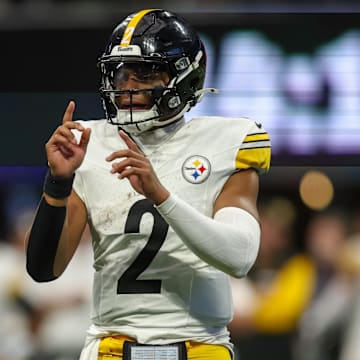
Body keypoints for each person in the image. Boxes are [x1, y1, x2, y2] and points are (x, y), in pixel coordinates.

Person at [25, 8, 271, 360]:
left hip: (200, 345)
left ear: (185, 75)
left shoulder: (228, 140)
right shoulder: (90, 141)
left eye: (146, 72)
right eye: (122, 72)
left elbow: (240, 257)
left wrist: (161, 195)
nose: (128, 85)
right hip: (110, 346)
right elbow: (43, 270)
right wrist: (58, 182)